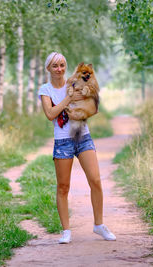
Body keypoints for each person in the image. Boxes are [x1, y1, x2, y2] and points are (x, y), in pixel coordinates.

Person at [38, 52, 116, 244]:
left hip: (83, 136)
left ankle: (99, 225)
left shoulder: (75, 81)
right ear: (48, 68)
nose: (59, 69)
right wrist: (68, 99)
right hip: (63, 141)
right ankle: (66, 231)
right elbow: (50, 114)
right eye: (55, 66)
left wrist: (83, 101)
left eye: (62, 65)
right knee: (63, 187)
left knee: (96, 180)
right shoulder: (45, 89)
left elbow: (95, 105)